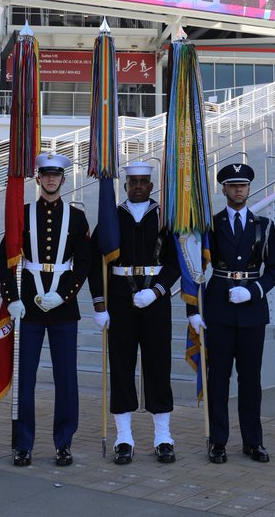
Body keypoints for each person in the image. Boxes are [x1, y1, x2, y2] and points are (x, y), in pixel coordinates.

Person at [0, 152, 92, 467]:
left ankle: (63, 443)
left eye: (56, 175)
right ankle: (22, 444)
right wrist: (11, 297)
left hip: (63, 309)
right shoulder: (21, 215)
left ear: (63, 179)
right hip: (29, 308)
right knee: (25, 377)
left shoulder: (77, 218)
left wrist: (64, 295)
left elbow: (83, 264)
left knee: (66, 378)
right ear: (38, 179)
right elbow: (6, 260)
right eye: (45, 175)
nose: (51, 180)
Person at [90, 162, 179, 465]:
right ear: (125, 185)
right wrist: (99, 305)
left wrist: (156, 291)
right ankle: (123, 437)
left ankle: (163, 436)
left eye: (143, 182)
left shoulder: (165, 217)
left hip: (155, 299)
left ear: (152, 185)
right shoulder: (112, 216)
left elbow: (176, 262)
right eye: (132, 182)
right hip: (119, 298)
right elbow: (95, 262)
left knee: (158, 364)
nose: (138, 186)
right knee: (122, 365)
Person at [192, 162, 275, 464]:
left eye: (243, 185)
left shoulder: (263, 226)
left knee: (250, 381)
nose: (239, 189)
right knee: (218, 379)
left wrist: (255, 290)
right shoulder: (210, 225)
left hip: (252, 309)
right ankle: (217, 441)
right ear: (224, 189)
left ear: (249, 188)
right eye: (233, 185)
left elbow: (274, 268)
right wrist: (195, 307)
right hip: (219, 308)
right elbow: (197, 267)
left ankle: (252, 441)